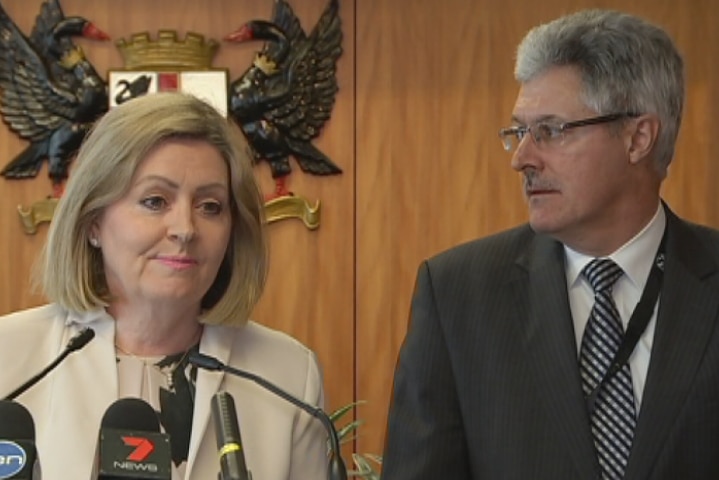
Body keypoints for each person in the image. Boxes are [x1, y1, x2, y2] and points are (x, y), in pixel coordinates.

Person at [382, 9, 719, 480]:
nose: (522, 158)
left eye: (551, 131)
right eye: (519, 131)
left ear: (638, 137)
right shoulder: (458, 295)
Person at [0, 92, 328, 480]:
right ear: (93, 222)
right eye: (155, 201)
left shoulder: (287, 375)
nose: (186, 229)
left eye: (210, 206)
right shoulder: (10, 356)